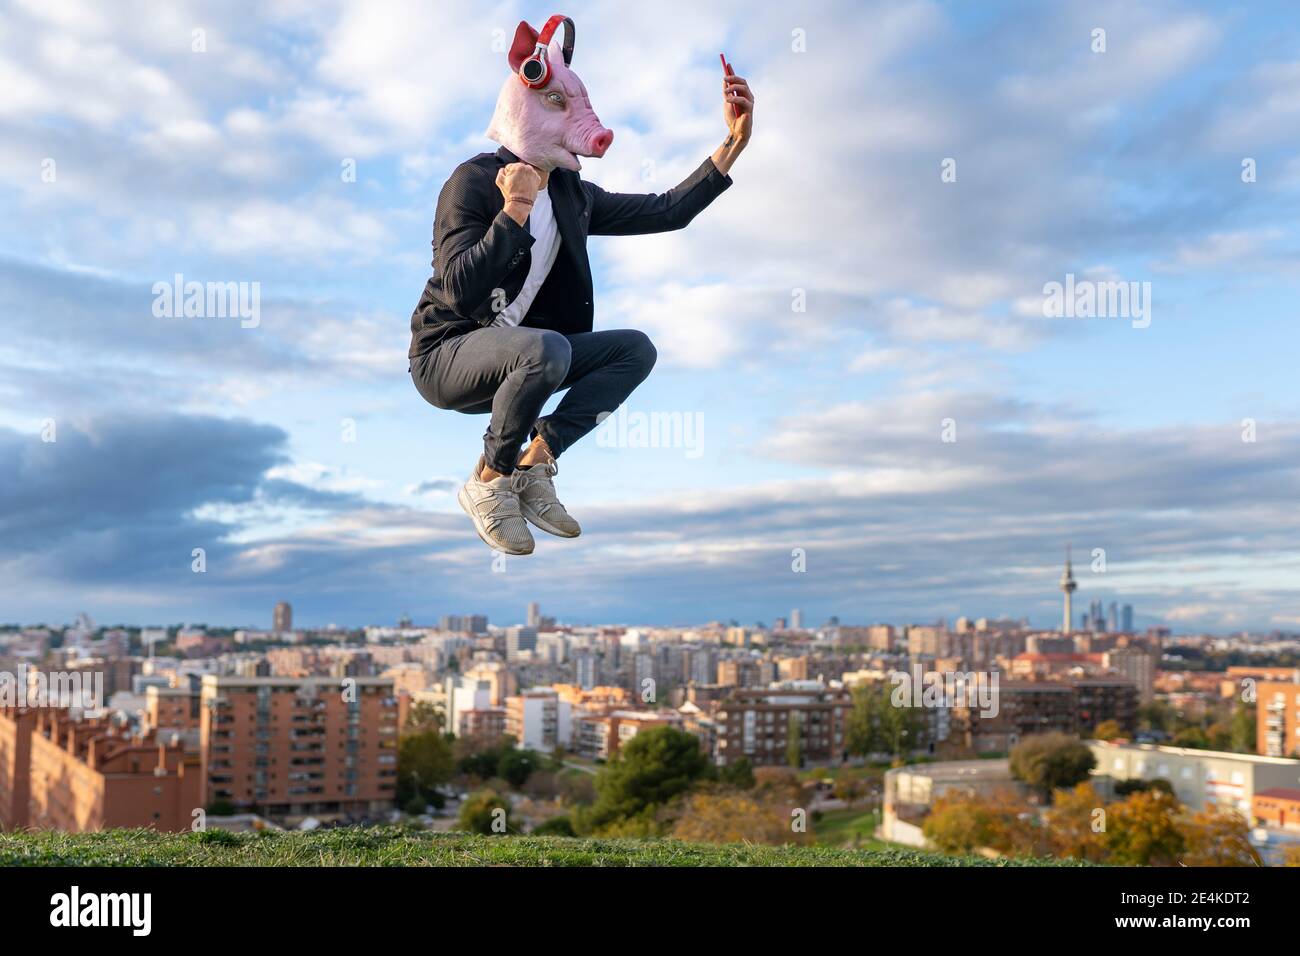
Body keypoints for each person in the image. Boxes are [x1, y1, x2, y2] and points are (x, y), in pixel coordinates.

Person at [410, 18, 754, 554]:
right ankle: (488, 482)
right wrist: (514, 209)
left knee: (633, 349)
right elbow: (458, 290)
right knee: (545, 347)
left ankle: (535, 464)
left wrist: (732, 144)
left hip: (525, 368)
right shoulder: (474, 182)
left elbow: (667, 211)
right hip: (447, 357)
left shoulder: (573, 195)